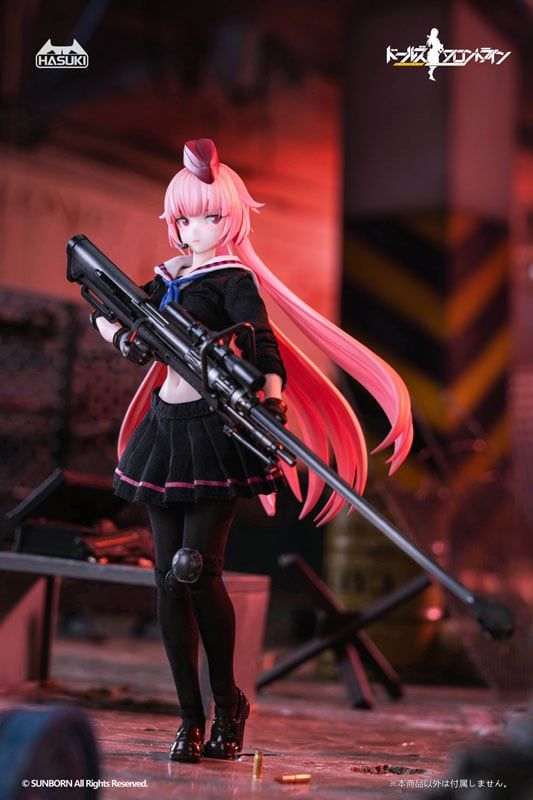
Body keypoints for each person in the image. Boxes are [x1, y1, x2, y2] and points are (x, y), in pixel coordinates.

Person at [91, 138, 413, 764]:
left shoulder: (232, 279)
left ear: (232, 219)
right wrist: (113, 329)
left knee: (195, 568)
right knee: (167, 581)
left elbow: (263, 342)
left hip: (214, 431)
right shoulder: (166, 278)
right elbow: (111, 307)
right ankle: (190, 719)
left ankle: (228, 704)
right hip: (163, 429)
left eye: (211, 216)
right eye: (186, 217)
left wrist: (271, 398)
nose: (197, 228)